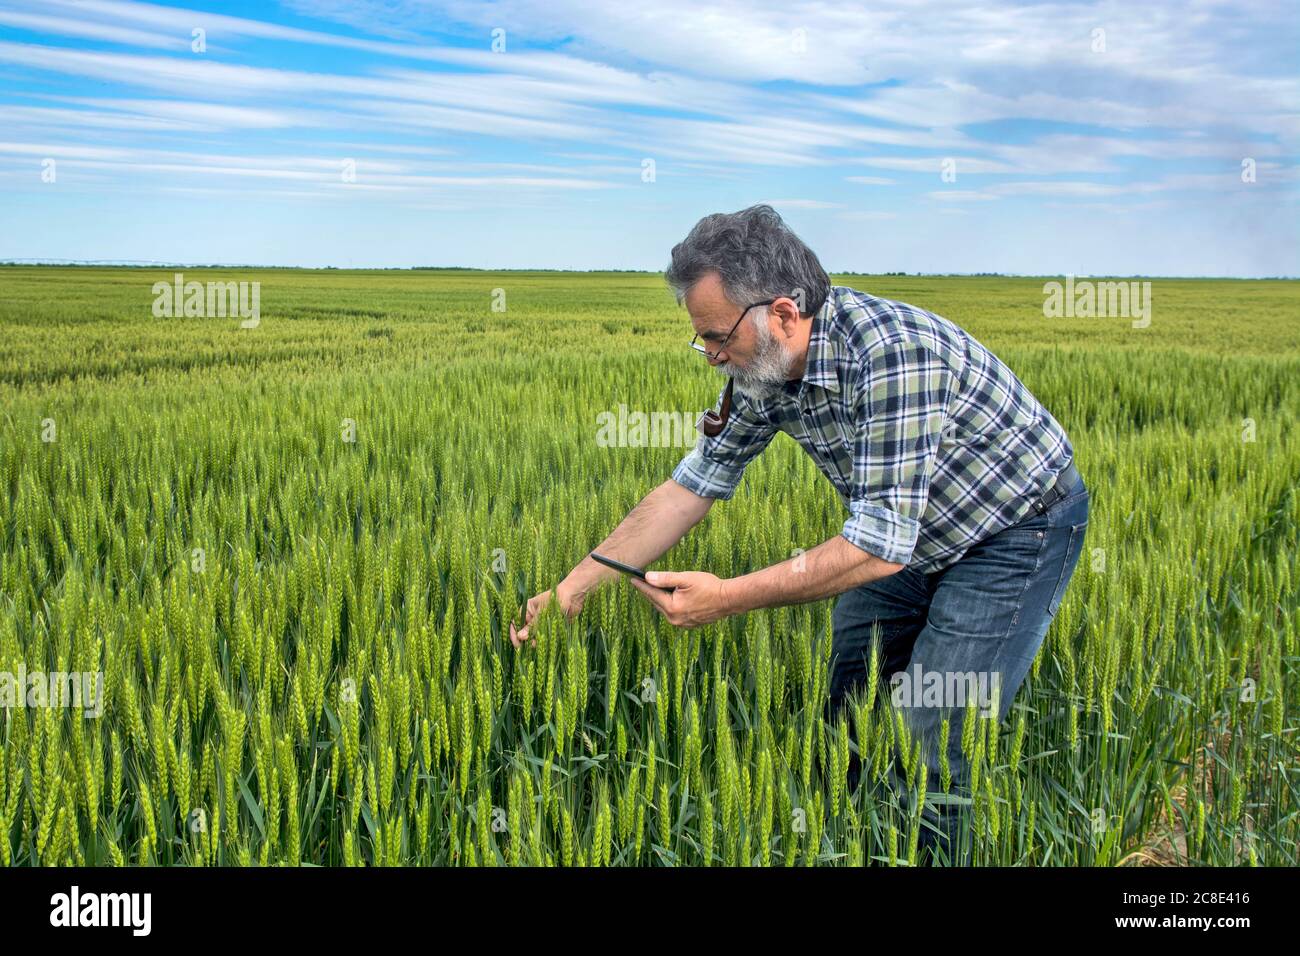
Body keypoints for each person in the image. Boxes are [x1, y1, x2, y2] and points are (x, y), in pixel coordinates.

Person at [510, 204, 1090, 865]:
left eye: (717, 336)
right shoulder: (763, 370)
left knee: (933, 735)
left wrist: (723, 598)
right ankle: (842, 844)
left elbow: (874, 548)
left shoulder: (892, 357)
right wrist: (576, 585)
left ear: (784, 313)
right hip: (905, 530)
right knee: (847, 698)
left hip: (1013, 531)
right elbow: (688, 489)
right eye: (701, 340)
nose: (711, 357)